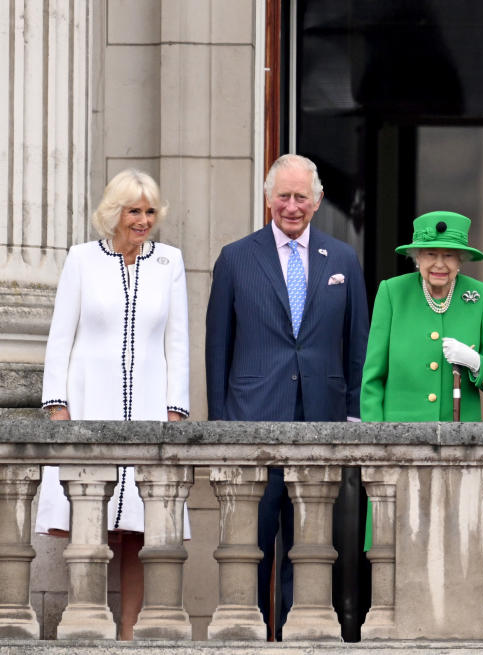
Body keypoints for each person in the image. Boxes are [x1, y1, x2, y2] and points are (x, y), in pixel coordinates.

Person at [205, 153, 370, 640]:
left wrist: (356, 411)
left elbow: (357, 341)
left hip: (321, 421)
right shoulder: (236, 257)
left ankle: (303, 639)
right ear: (268, 199)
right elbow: (218, 347)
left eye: (301, 197)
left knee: (311, 546)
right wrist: (219, 428)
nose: (292, 206)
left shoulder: (342, 258)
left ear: (317, 201)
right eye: (284, 196)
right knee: (250, 547)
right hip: (252, 422)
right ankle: (250, 638)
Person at [37, 168, 190, 640]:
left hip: (148, 408)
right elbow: (60, 338)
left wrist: (174, 413)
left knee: (140, 531)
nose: (144, 220)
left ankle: (129, 635)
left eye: (149, 211)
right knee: (90, 523)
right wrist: (58, 408)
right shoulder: (82, 260)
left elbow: (177, 342)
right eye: (134, 211)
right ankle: (87, 627)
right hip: (89, 406)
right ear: (114, 214)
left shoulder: (170, 261)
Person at [361, 210, 483, 425]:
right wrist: (375, 436)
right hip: (400, 434)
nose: (440, 264)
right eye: (430, 254)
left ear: (460, 260)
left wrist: (475, 362)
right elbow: (373, 378)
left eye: (448, 255)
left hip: (460, 437)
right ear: (417, 257)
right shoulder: (392, 292)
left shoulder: (482, 296)